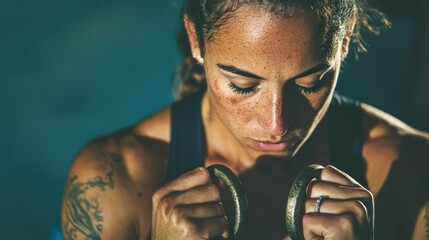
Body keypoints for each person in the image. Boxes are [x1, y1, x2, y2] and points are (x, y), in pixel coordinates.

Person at [61, 0, 429, 239]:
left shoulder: (413, 171)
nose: (277, 124)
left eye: (310, 83)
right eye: (242, 85)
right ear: (196, 38)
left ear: (344, 40)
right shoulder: (114, 182)